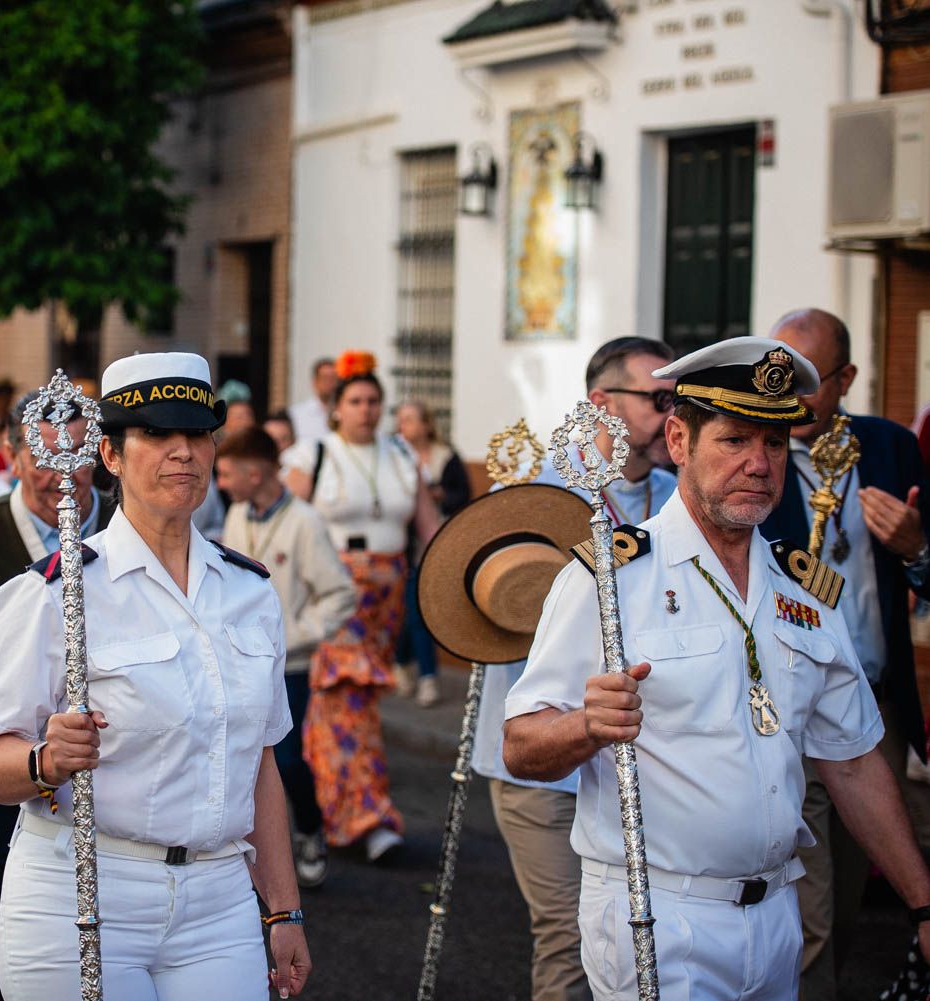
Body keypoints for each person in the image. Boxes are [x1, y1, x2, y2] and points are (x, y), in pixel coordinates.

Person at [504, 336, 930, 1001]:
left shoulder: (803, 591)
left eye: (773, 443)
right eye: (734, 440)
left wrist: (923, 903)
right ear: (679, 439)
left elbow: (850, 759)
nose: (759, 464)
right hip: (659, 917)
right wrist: (587, 725)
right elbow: (521, 745)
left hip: (777, 918)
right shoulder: (610, 579)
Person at [0, 352, 310, 1000]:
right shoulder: (55, 590)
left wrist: (283, 908)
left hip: (218, 898)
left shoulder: (248, 590)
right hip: (84, 891)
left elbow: (257, 761)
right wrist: (44, 759)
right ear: (111, 455)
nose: (183, 452)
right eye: (156, 434)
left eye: (198, 434)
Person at [471, 336, 675, 1001]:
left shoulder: (679, 496)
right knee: (567, 938)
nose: (674, 411)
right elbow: (475, 612)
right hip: (543, 761)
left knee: (645, 934)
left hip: (639, 755)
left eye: (679, 397)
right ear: (602, 403)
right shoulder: (533, 489)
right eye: (657, 398)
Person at [761, 308, 930, 1000]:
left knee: (853, 903)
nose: (788, 394)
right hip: (790, 712)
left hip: (876, 710)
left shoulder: (889, 447)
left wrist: (917, 550)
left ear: (847, 379)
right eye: (778, 375)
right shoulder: (753, 451)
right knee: (812, 914)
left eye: (805, 379)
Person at [0, 388, 115, 1001]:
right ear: (11, 456)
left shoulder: (128, 525)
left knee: (110, 954)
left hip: (110, 787)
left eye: (78, 450)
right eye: (43, 452)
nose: (62, 469)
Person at [282, 350, 438, 862]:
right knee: (344, 697)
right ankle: (365, 816)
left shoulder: (399, 455)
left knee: (349, 704)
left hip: (386, 594)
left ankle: (330, 810)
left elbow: (429, 528)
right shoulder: (313, 455)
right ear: (337, 407)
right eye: (355, 401)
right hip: (334, 590)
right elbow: (288, 522)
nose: (366, 410)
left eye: (374, 401)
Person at [217, 427, 354, 889]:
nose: (220, 483)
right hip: (235, 661)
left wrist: (291, 636)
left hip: (287, 664)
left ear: (255, 474)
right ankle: (249, 848)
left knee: (288, 759)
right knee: (239, 754)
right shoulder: (238, 513)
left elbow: (339, 594)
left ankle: (312, 832)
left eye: (227, 472)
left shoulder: (305, 521)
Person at [393, 400, 471, 707]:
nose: (404, 426)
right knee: (407, 614)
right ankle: (403, 663)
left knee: (420, 612)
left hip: (437, 544)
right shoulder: (393, 457)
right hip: (404, 547)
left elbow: (462, 496)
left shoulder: (445, 457)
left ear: (426, 424)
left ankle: (427, 677)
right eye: (401, 420)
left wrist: (437, 494)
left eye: (411, 419)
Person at [288, 358, 337, 446]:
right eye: (325, 378)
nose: (331, 383)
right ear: (315, 382)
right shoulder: (296, 414)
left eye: (334, 378)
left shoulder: (347, 413)